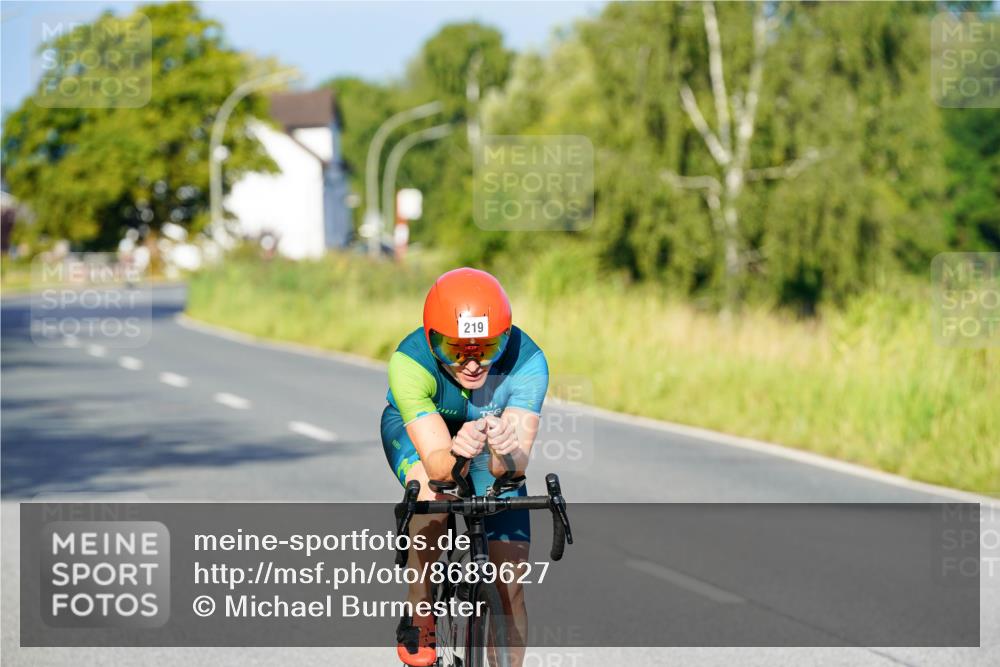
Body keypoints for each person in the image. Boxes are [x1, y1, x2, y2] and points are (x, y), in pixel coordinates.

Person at [381, 267, 548, 666]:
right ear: (432, 340)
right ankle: (421, 602)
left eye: (486, 349)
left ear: (504, 339)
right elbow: (440, 467)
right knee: (432, 489)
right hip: (427, 439)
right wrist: (456, 454)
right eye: (456, 351)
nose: (472, 365)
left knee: (511, 584)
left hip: (489, 441)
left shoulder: (529, 362)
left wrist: (506, 452)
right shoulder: (410, 362)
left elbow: (511, 468)